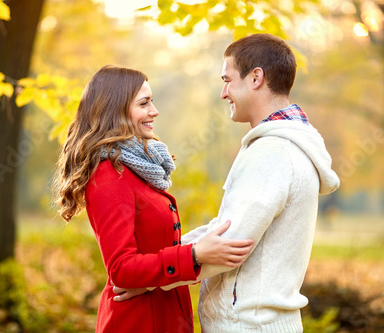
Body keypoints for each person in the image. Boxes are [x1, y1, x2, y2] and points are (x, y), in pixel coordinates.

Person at [118, 33, 340, 332]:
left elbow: (230, 244)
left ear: (256, 78)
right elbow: (225, 226)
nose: (224, 93)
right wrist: (153, 264)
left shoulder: (273, 152)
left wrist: (154, 279)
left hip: (249, 325)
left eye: (228, 80)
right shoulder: (281, 146)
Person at [53, 65, 254, 333]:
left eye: (152, 101)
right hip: (139, 321)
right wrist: (194, 254)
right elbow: (121, 269)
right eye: (144, 103)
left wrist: (197, 250)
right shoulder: (110, 173)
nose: (154, 110)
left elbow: (157, 245)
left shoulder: (137, 166)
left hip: (166, 313)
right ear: (117, 109)